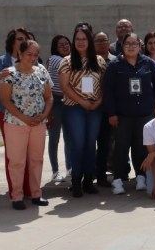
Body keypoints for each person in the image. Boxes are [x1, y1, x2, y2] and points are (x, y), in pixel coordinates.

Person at [103, 33, 155, 195]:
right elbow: (108, 91)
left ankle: (141, 177)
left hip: (144, 113)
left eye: (134, 43)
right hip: (122, 115)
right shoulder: (115, 65)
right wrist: (112, 113)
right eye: (127, 44)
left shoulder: (147, 63)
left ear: (139, 46)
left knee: (140, 147)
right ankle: (117, 180)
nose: (131, 46)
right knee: (121, 147)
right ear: (122, 46)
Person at [0, 40, 53, 209]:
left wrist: (44, 115)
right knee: (17, 161)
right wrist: (24, 118)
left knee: (37, 159)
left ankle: (36, 193)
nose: (33, 57)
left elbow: (49, 97)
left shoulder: (41, 71)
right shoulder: (9, 74)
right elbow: (5, 100)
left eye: (36, 54)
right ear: (20, 54)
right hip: (16, 123)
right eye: (29, 54)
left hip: (38, 123)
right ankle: (17, 196)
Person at [59, 25, 107, 197]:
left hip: (95, 108)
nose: (80, 42)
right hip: (74, 108)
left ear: (90, 41)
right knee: (77, 145)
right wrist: (83, 102)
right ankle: (76, 181)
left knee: (90, 145)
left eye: (84, 39)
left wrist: (98, 102)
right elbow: (64, 86)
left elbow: (103, 85)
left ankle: (88, 180)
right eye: (77, 39)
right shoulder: (66, 61)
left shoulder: (100, 61)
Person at [0, 27, 32, 199]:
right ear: (12, 42)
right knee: (13, 155)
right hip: (8, 114)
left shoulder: (33, 60)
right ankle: (16, 190)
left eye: (26, 39)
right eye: (19, 39)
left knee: (31, 154)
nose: (23, 42)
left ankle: (30, 189)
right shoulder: (1, 62)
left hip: (30, 114)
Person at [46, 35, 72, 183]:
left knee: (68, 137)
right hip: (56, 101)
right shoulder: (57, 60)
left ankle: (69, 168)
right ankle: (55, 171)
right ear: (55, 47)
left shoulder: (68, 59)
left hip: (67, 101)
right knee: (54, 138)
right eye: (61, 44)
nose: (64, 46)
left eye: (67, 44)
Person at [93, 31, 117, 186]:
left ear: (109, 43)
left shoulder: (116, 61)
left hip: (110, 109)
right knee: (89, 143)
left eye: (104, 40)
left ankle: (104, 175)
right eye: (98, 41)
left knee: (107, 144)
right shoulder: (89, 61)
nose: (102, 43)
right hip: (92, 107)